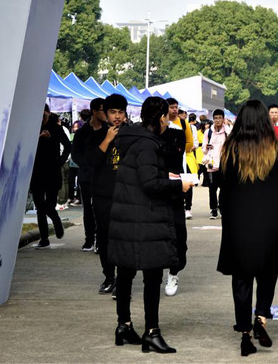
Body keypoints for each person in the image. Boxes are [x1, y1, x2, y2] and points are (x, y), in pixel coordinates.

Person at [217, 100, 278, 357]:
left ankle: (244, 331)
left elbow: (223, 186)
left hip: (238, 222)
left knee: (241, 277)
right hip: (270, 222)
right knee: (267, 271)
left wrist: (226, 215)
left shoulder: (230, 150)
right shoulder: (277, 151)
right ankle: (261, 316)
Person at [109, 96, 195, 354]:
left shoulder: (130, 138)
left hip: (127, 214)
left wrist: (164, 174)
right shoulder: (147, 143)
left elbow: (140, 174)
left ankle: (124, 325)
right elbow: (149, 183)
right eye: (166, 117)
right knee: (152, 275)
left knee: (125, 272)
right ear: (160, 117)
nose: (168, 121)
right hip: (144, 217)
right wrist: (177, 184)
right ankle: (152, 332)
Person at [88, 93, 128, 294]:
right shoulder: (97, 135)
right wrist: (107, 139)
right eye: (113, 112)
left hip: (126, 195)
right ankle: (109, 276)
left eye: (120, 112)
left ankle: (123, 280)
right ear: (106, 113)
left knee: (124, 238)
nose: (117, 116)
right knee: (104, 237)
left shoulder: (132, 135)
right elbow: (91, 163)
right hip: (103, 195)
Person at [31, 105, 71, 249]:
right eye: (39, 116)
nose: (42, 119)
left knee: (49, 204)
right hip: (36, 171)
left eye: (44, 116)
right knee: (39, 207)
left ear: (48, 113)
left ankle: (56, 219)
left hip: (52, 170)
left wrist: (60, 161)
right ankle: (44, 238)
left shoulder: (56, 128)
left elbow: (68, 146)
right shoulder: (32, 127)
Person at [160, 98, 188, 297]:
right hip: (154, 190)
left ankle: (174, 272)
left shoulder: (179, 131)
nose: (174, 110)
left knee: (178, 234)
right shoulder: (144, 137)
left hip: (175, 187)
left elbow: (182, 157)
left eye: (175, 107)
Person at [71, 98, 105, 252]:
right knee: (88, 209)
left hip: (104, 176)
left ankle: (100, 239)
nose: (105, 114)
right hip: (87, 176)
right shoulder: (82, 132)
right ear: (94, 111)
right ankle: (89, 239)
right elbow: (76, 154)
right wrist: (87, 164)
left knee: (102, 208)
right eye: (102, 110)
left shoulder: (108, 130)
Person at [202, 109, 230, 219]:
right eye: (215, 118)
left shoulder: (227, 131)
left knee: (224, 188)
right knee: (212, 188)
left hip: (224, 164)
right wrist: (207, 147)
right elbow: (203, 149)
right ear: (213, 119)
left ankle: (222, 207)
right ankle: (213, 209)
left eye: (220, 118)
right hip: (211, 164)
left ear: (223, 119)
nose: (218, 120)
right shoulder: (208, 132)